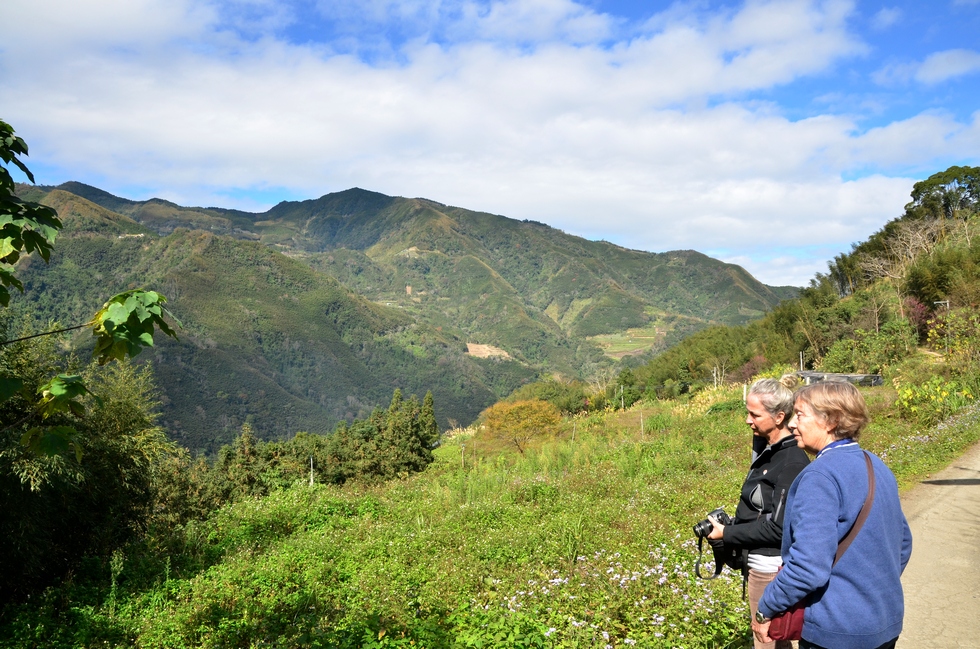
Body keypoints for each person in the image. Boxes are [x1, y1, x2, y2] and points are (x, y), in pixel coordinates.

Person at [753, 381, 913, 649]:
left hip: (836, 631)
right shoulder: (875, 464)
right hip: (885, 624)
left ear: (831, 421)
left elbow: (808, 567)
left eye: (800, 414)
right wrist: (868, 588)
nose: (792, 424)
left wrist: (766, 608)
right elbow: (903, 543)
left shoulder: (820, 476)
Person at [707, 376, 810, 649]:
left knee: (765, 641)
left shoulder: (790, 461)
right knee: (776, 642)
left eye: (754, 414)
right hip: (760, 565)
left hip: (769, 570)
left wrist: (726, 533)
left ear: (779, 417)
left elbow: (779, 527)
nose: (747, 420)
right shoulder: (769, 450)